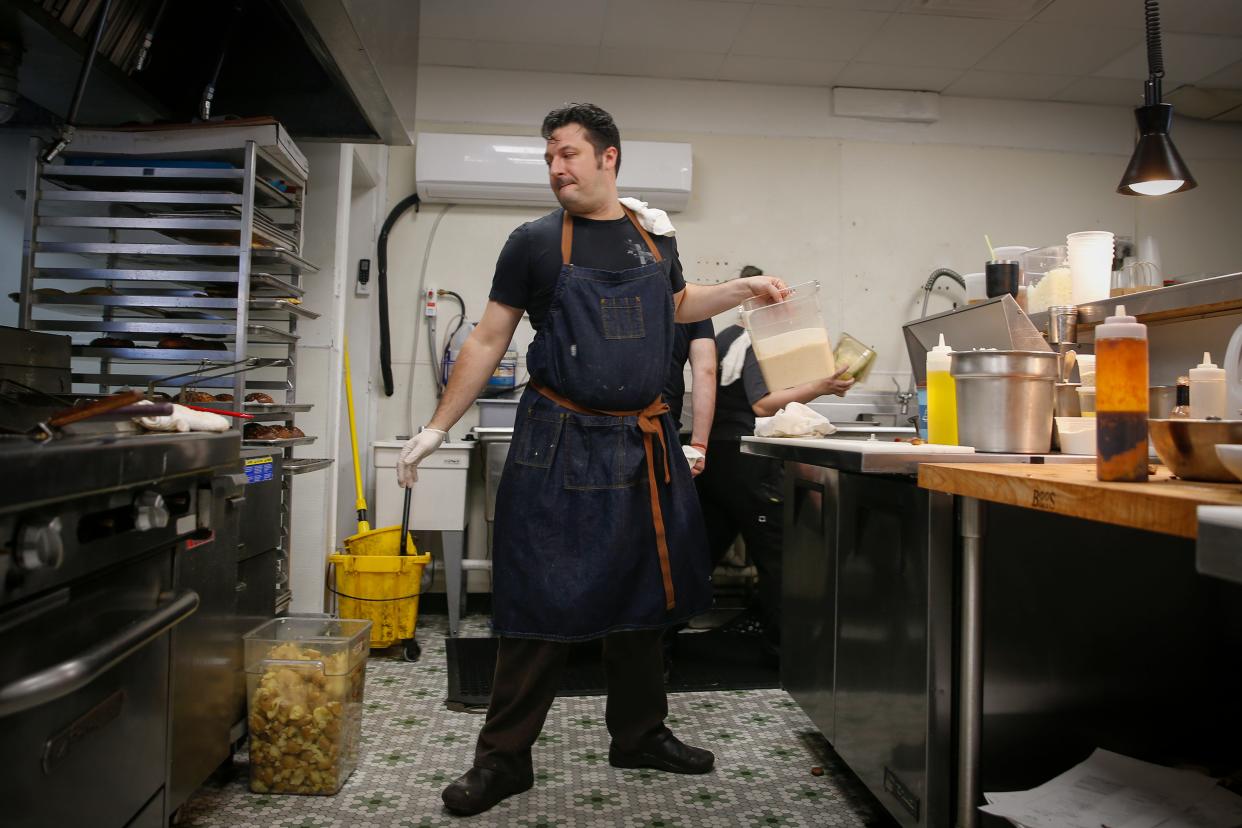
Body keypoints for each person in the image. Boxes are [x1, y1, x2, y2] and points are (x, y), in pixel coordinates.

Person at [395, 103, 790, 817]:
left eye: (569, 154)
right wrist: (433, 428)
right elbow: (487, 339)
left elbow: (677, 305)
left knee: (646, 596)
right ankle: (504, 760)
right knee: (541, 598)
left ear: (610, 158)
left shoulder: (652, 237)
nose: (556, 169)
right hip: (560, 442)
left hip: (644, 442)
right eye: (549, 157)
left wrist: (742, 290)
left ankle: (639, 733)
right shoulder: (535, 243)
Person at [695, 266, 853, 662]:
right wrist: (822, 386)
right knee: (780, 554)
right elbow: (762, 404)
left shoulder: (726, 336)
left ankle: (658, 645)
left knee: (700, 554)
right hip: (747, 461)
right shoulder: (751, 340)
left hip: (716, 461)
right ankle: (786, 655)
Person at [665, 320, 717, 477]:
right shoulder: (693, 301)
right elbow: (706, 371)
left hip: (598, 421)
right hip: (661, 424)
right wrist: (698, 446)